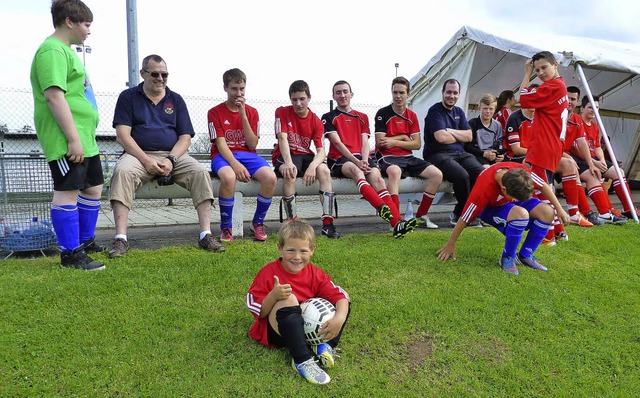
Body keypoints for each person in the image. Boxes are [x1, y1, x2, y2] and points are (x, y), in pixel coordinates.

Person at [109, 54, 225, 257]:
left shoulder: (176, 99)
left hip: (173, 155)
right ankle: (120, 239)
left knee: (199, 172)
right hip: (138, 155)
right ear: (143, 73)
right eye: (155, 73)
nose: (160, 78)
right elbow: (123, 135)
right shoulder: (128, 97)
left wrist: (171, 160)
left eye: (165, 74)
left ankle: (205, 234)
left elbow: (185, 137)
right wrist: (146, 160)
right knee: (122, 172)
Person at [30, 0, 104, 270]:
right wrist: (72, 138)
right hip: (66, 138)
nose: (88, 30)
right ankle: (70, 254)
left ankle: (84, 242)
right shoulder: (51, 51)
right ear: (69, 22)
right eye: (86, 24)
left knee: (93, 188)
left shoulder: (67, 51)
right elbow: (53, 96)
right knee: (68, 191)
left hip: (86, 137)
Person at [246, 219, 350, 385]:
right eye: (290, 250)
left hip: (306, 328)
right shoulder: (268, 273)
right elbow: (255, 308)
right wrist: (273, 295)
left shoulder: (314, 273)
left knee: (342, 303)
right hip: (277, 332)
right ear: (280, 249)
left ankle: (325, 344)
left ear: (312, 250)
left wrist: (339, 319)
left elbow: (341, 296)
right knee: (288, 298)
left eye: (303, 251)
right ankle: (302, 359)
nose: (297, 257)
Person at [322, 80, 422, 238]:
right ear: (333, 96)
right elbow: (337, 143)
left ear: (351, 94)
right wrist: (357, 162)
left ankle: (397, 224)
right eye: (338, 92)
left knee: (378, 179)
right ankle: (384, 209)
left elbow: (365, 142)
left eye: (345, 91)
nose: (342, 95)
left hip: (362, 158)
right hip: (340, 159)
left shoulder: (362, 117)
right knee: (357, 172)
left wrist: (364, 159)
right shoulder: (328, 117)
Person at [437, 163, 568, 275]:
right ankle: (507, 258)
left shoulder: (520, 172)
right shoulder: (483, 189)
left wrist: (560, 209)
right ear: (503, 189)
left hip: (512, 201)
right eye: (514, 198)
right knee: (521, 214)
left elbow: (544, 185)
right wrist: (450, 244)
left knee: (548, 211)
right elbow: (465, 217)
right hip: (491, 209)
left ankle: (525, 256)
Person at [208, 68, 277, 242]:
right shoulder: (214, 112)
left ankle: (258, 223)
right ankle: (226, 227)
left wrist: (243, 115)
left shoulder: (252, 112)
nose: (238, 93)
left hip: (248, 154)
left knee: (270, 177)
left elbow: (253, 144)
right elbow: (220, 144)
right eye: (234, 89)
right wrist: (235, 164)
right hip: (223, 155)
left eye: (242, 89)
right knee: (229, 177)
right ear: (225, 88)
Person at [273, 80, 340, 238]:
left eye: (302, 99)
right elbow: (282, 138)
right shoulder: (282, 111)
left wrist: (312, 167)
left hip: (305, 155)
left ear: (309, 98)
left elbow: (321, 151)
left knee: (324, 170)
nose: (298, 103)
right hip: (285, 154)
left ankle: (328, 224)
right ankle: (291, 225)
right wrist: (288, 162)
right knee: (290, 173)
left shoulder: (316, 120)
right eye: (294, 99)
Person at [374, 77, 442, 229]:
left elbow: (417, 144)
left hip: (408, 157)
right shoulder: (382, 113)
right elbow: (380, 142)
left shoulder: (412, 116)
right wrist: (404, 137)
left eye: (401, 93)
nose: (398, 96)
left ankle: (421, 216)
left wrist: (394, 141)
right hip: (387, 157)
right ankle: (396, 220)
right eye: (395, 92)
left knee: (437, 175)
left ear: (408, 94)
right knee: (395, 172)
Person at [518, 52, 572, 245]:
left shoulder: (551, 86)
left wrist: (527, 72)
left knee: (540, 188)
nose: (540, 73)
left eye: (543, 68)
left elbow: (522, 98)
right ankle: (558, 231)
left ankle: (548, 236)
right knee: (542, 187)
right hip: (550, 144)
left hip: (545, 144)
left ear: (555, 64)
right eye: (537, 69)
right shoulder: (559, 86)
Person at [422, 78, 485, 225]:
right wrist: (459, 136)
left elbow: (469, 136)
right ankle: (462, 215)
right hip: (437, 155)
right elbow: (441, 138)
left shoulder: (459, 111)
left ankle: (464, 212)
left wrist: (449, 130)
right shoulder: (434, 111)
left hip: (460, 154)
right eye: (449, 92)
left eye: (455, 93)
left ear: (459, 94)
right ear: (442, 92)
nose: (452, 96)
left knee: (481, 173)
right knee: (462, 176)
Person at [573, 95, 638, 221]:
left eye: (596, 108)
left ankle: (628, 208)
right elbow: (575, 148)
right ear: (582, 109)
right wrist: (593, 162)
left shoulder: (595, 127)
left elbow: (597, 147)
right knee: (594, 175)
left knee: (619, 172)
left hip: (594, 159)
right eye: (590, 107)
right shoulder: (576, 122)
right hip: (579, 160)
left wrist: (602, 160)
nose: (593, 110)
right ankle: (605, 211)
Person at [465, 93, 505, 167]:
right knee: (487, 168)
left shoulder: (497, 125)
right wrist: (484, 154)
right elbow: (468, 147)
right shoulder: (472, 123)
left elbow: (500, 143)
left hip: (493, 156)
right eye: (485, 108)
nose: (488, 111)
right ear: (479, 108)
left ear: (495, 109)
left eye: (491, 109)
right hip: (477, 156)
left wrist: (500, 155)